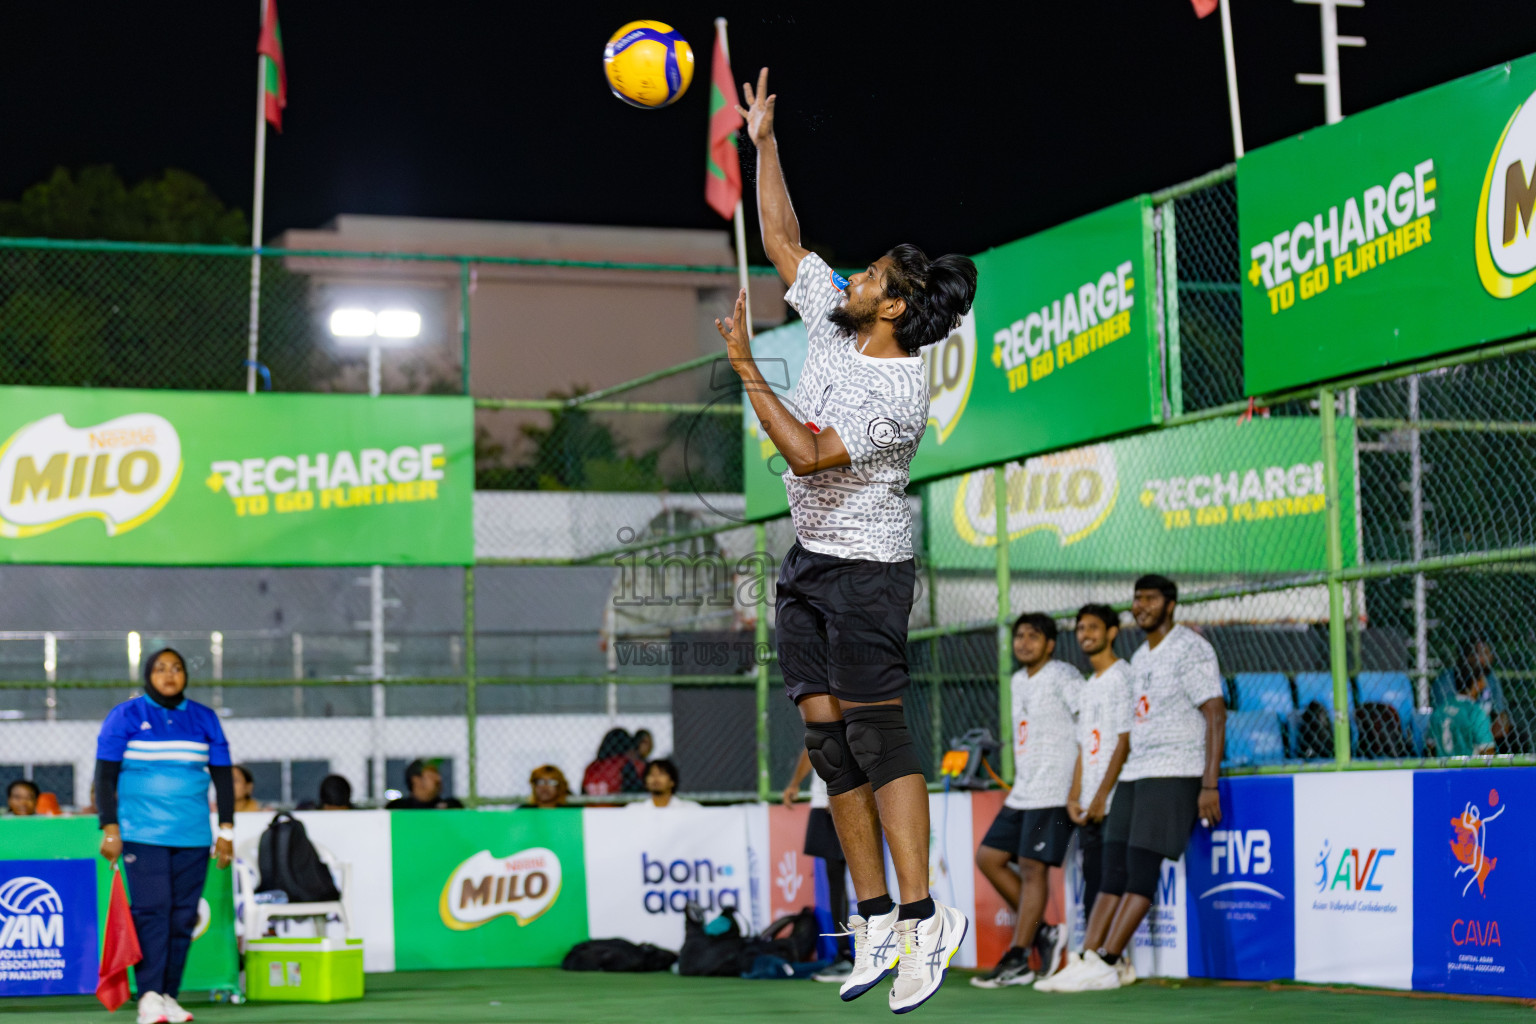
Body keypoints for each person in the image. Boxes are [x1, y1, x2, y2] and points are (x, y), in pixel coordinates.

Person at [722, 66, 979, 1013]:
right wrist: (765, 145)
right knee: (829, 747)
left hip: (869, 570)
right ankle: (874, 921)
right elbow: (783, 237)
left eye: (873, 275)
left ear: (897, 309)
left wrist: (748, 365)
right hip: (810, 566)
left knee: (877, 736)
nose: (855, 275)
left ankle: (924, 920)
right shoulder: (835, 324)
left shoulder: (897, 387)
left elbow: (808, 452)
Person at [1045, 576, 1224, 993]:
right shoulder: (1140, 656)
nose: (1140, 606)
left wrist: (1209, 784)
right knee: (1112, 868)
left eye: (1150, 599)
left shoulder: (1190, 647)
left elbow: (1215, 713)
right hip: (1135, 772)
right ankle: (1089, 956)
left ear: (1171, 604)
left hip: (1173, 769)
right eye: (1136, 599)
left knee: (1142, 868)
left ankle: (1109, 961)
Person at [94, 648, 235, 1024]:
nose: (169, 675)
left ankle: (169, 995)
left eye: (177, 668)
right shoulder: (125, 716)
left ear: (186, 675)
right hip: (142, 835)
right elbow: (105, 775)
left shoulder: (204, 718)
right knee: (153, 913)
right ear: (147, 674)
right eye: (160, 668)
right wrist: (109, 827)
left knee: (182, 917)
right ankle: (149, 997)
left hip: (192, 836)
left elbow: (222, 777)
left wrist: (226, 830)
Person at [972, 613, 1082, 990]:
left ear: (1050, 644)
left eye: (1033, 637)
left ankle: (1019, 957)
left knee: (1033, 867)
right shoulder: (1018, 681)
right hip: (1024, 790)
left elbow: (1091, 723)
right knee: (988, 857)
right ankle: (1045, 933)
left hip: (1055, 788)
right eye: (1019, 636)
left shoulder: (1065, 676)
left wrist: (1079, 786)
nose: (1024, 643)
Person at [1046, 604, 1133, 984]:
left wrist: (1101, 794)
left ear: (1112, 632)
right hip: (1090, 802)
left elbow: (1124, 741)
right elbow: (1086, 745)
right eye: (1080, 628)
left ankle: (1109, 960)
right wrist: (1075, 794)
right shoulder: (1089, 684)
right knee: (1093, 882)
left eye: (1093, 627)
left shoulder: (1123, 676)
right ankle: (1095, 960)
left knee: (1113, 880)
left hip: (1116, 798)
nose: (1085, 634)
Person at [783, 750, 854, 981]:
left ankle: (882, 955)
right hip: (826, 801)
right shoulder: (815, 717)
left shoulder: (842, 714)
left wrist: (840, 792)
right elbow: (811, 747)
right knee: (836, 879)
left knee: (868, 880)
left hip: (845, 800)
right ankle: (846, 957)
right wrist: (795, 783)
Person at [1429, 667, 1496, 756]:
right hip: (1467, 768)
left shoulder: (1440, 709)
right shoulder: (1475, 712)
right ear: (1475, 683)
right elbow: (1488, 750)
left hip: (1442, 767)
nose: (1484, 684)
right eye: (1482, 680)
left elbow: (1430, 745)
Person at [582, 728, 644, 796]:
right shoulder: (624, 764)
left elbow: (583, 792)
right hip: (615, 806)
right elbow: (634, 791)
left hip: (591, 805)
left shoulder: (592, 767)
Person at [386, 758, 463, 809]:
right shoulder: (397, 808)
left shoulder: (451, 807)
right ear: (416, 780)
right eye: (432, 775)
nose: (438, 778)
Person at [625, 758, 699, 810]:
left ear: (672, 781)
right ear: (645, 782)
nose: (655, 778)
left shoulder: (690, 809)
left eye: (661, 774)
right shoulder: (634, 811)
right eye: (651, 774)